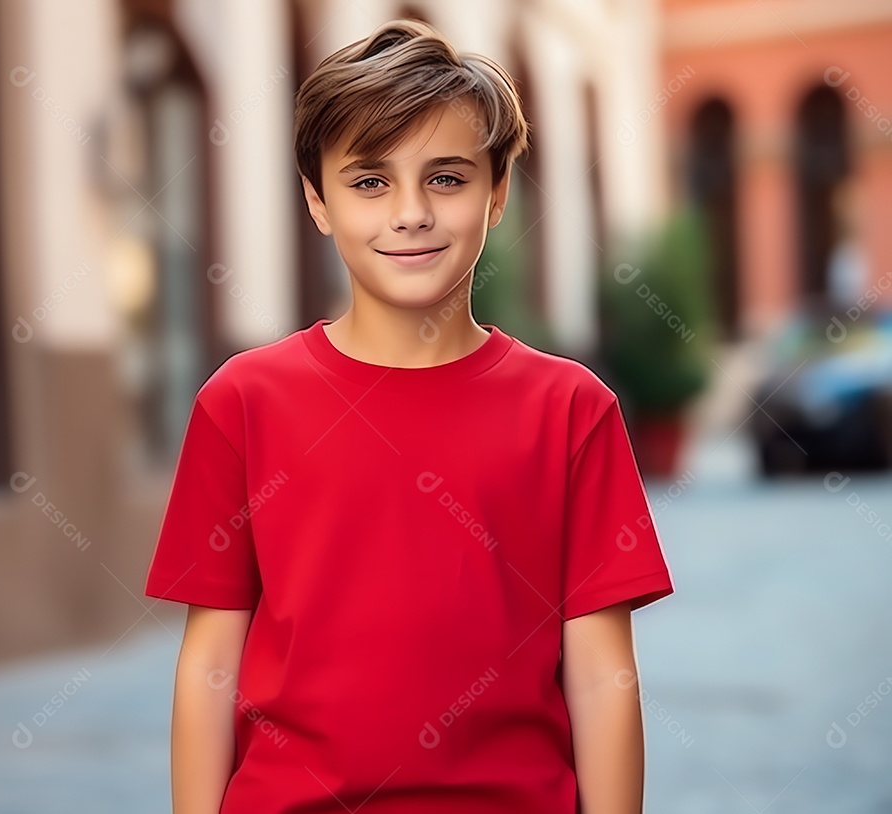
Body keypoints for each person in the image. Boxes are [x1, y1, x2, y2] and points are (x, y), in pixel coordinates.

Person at [143, 18, 675, 814]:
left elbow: (602, 672)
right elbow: (209, 659)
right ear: (318, 201)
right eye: (369, 182)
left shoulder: (572, 410)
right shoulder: (241, 403)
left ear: (497, 195)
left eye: (447, 178)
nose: (411, 212)